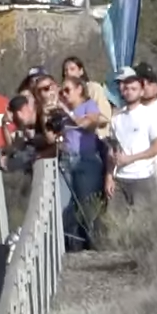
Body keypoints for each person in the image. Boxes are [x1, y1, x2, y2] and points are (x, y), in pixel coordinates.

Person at [58, 76, 108, 250]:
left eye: (67, 90)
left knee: (88, 204)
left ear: (79, 89)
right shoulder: (61, 113)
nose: (64, 95)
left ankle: (93, 244)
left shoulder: (89, 106)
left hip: (86, 159)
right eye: (62, 92)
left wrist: (67, 112)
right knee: (66, 206)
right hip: (66, 159)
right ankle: (71, 245)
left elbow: (88, 124)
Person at [107, 75, 157, 206]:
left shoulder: (150, 115)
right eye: (126, 89)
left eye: (133, 89)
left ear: (141, 92)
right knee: (116, 217)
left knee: (142, 216)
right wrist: (109, 177)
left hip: (142, 177)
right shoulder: (117, 118)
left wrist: (131, 158)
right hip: (119, 177)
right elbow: (112, 148)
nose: (129, 92)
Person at [62, 57, 113, 137]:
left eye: (72, 69)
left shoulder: (93, 88)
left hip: (97, 136)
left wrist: (88, 119)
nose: (68, 73)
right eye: (65, 70)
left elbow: (104, 116)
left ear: (81, 71)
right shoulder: (63, 94)